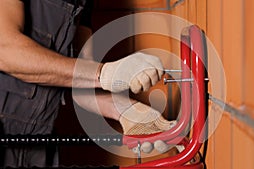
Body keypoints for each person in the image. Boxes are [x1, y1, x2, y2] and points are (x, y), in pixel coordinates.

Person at [0, 0, 175, 167]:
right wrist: (105, 73)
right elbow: (6, 51)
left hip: (39, 143)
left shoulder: (83, 3)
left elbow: (81, 81)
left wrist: (128, 111)